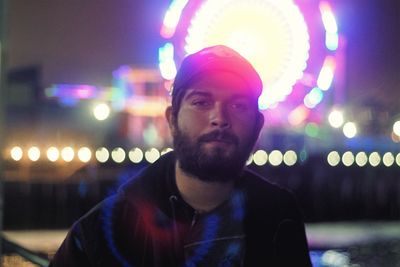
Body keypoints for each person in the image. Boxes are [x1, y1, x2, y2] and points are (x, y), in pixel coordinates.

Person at [49, 45, 311, 267]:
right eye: (201, 102)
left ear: (257, 126)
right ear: (171, 119)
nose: (219, 119)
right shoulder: (103, 230)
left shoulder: (280, 215)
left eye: (238, 105)